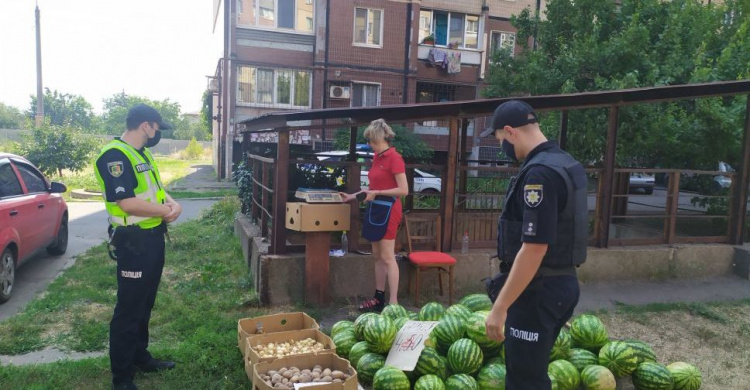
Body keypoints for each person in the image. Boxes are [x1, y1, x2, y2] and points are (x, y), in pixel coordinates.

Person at [481, 100, 587, 389]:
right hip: (562, 284)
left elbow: (534, 248)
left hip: (538, 292)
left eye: (500, 140)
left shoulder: (539, 174)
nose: (503, 147)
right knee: (532, 373)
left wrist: (500, 307)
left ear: (510, 131)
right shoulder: (566, 162)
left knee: (524, 380)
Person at [94, 104, 182, 390]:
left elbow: (155, 189)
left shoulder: (141, 154)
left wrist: (172, 204)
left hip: (153, 238)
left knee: (145, 303)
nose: (157, 133)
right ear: (146, 125)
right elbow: (126, 202)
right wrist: (163, 210)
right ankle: (122, 376)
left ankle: (140, 357)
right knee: (129, 309)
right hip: (133, 243)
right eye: (157, 128)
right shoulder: (114, 156)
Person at [340, 119, 409, 312]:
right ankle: (379, 298)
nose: (369, 144)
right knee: (377, 256)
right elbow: (372, 188)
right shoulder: (377, 157)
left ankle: (393, 303)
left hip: (389, 210)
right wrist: (352, 197)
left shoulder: (395, 158)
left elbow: (403, 190)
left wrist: (377, 193)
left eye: (370, 140)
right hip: (375, 208)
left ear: (377, 138)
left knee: (388, 256)